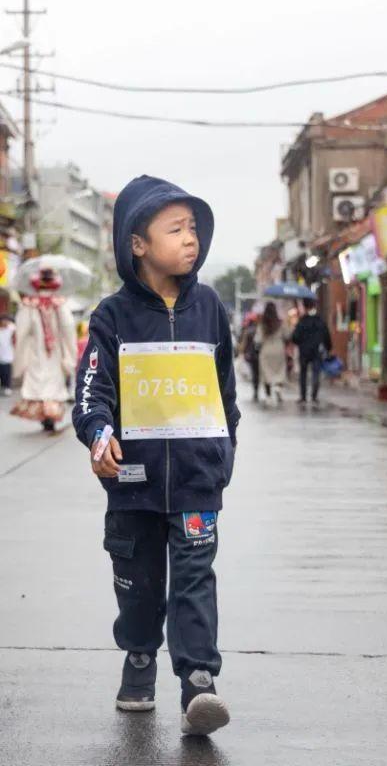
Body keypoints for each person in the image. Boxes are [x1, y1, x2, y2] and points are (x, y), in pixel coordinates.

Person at [72, 175, 240, 737]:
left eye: (194, 227)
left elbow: (226, 391)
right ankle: (139, 658)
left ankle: (198, 683)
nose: (190, 239)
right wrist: (98, 434)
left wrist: (224, 454)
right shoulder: (113, 316)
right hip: (133, 484)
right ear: (137, 245)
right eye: (175, 229)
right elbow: (93, 390)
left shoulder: (211, 306)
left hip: (197, 482)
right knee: (139, 582)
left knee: (194, 579)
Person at [11, 268, 76, 431]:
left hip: (36, 352)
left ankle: (45, 415)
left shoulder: (28, 304)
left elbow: (22, 331)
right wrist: (70, 354)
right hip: (55, 352)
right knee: (53, 384)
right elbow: (68, 329)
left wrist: (20, 353)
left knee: (38, 383)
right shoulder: (60, 304)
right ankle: (51, 414)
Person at [291, 298, 331, 406]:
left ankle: (303, 396)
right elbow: (326, 336)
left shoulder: (302, 321)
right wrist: (328, 348)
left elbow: (295, 337)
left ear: (304, 307)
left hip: (304, 351)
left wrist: (300, 343)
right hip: (316, 351)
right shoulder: (320, 320)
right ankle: (314, 396)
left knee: (303, 374)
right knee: (316, 373)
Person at [255, 301, 287, 403]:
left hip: (266, 350)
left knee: (266, 372)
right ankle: (278, 388)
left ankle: (268, 395)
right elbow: (287, 335)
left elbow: (257, 340)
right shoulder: (280, 323)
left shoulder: (262, 325)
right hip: (279, 349)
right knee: (279, 371)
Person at [238, 312, 260, 401]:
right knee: (258, 373)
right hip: (259, 354)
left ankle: (256, 391)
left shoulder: (247, 330)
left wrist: (241, 352)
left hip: (250, 355)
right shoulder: (258, 329)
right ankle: (259, 390)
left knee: (255, 373)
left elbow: (243, 344)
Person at [0, 314, 15, 396]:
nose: (5, 322)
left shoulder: (10, 329)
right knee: (2, 372)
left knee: (7, 373)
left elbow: (15, 326)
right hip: (0, 355)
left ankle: (7, 387)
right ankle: (3, 386)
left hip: (8, 356)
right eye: (4, 320)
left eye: (7, 320)